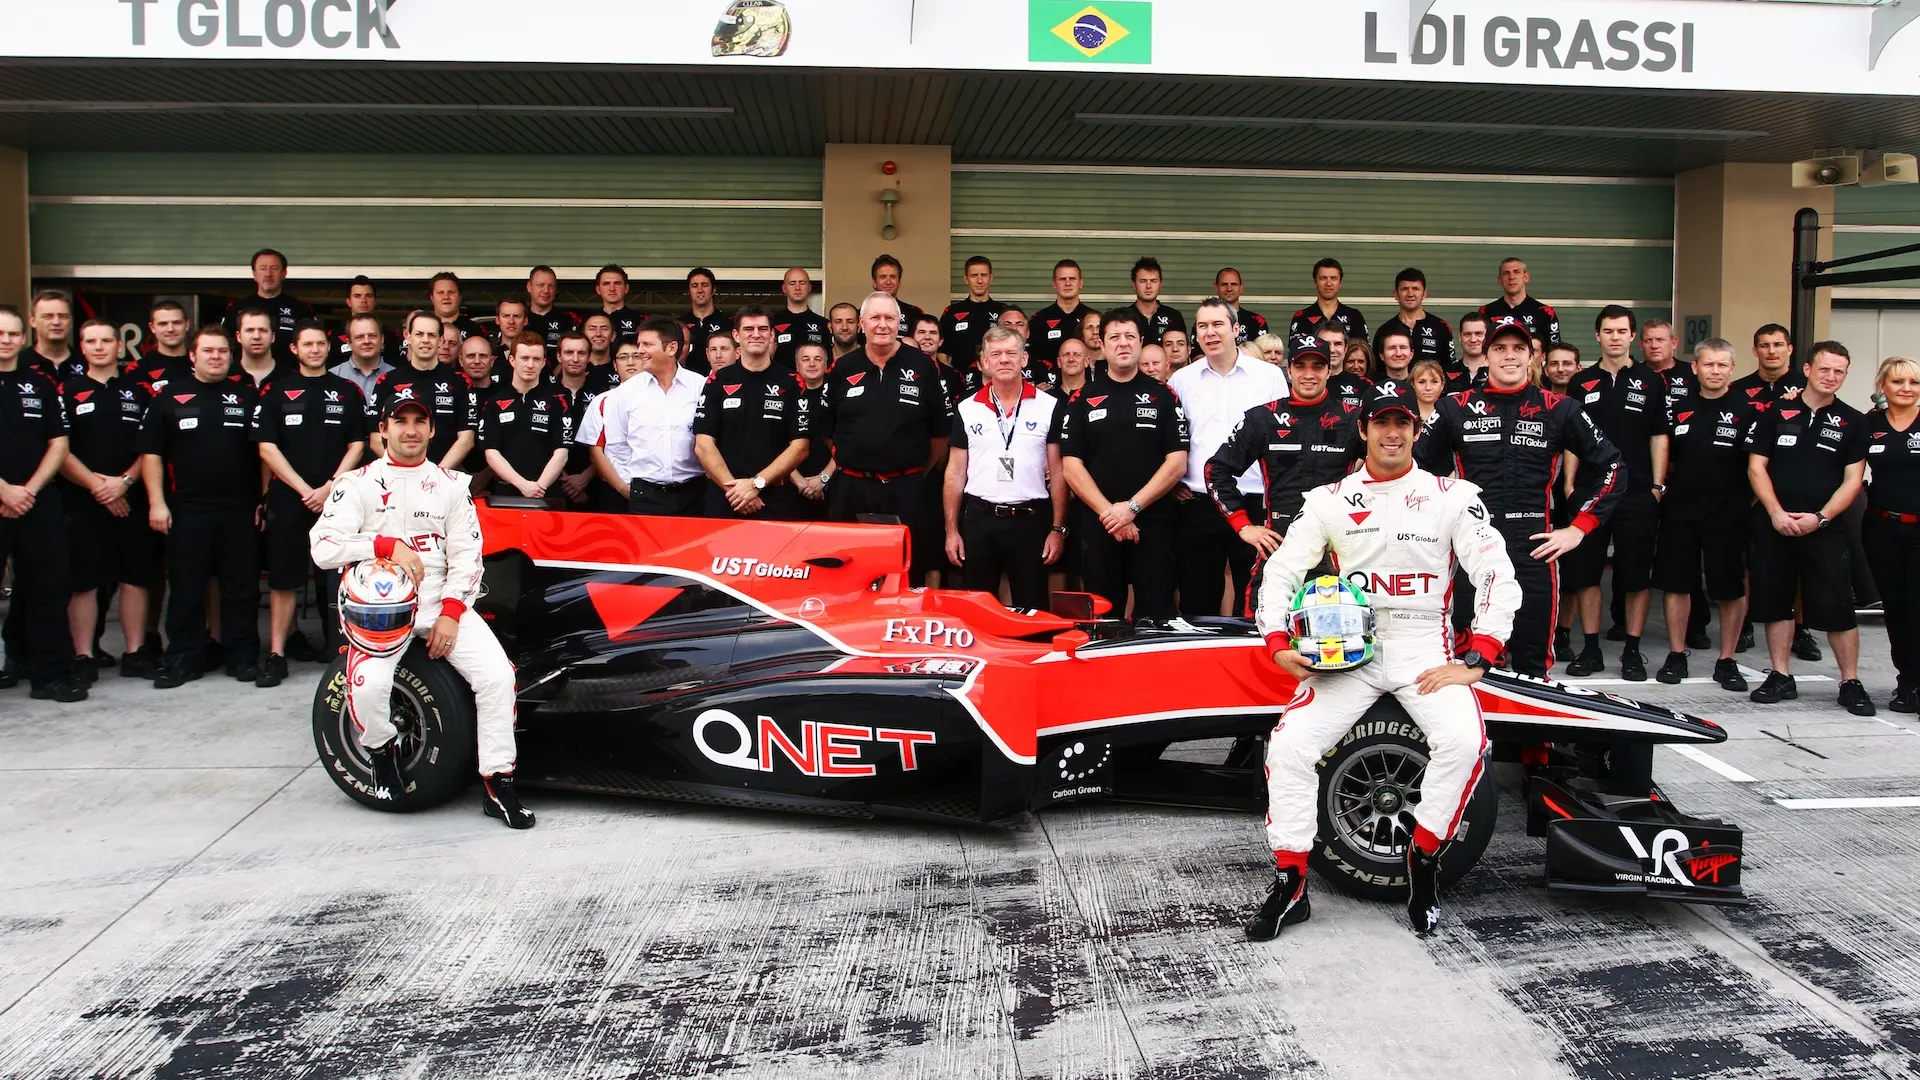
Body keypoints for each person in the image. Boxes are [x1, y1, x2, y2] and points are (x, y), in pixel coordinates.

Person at [1246, 385, 1518, 941]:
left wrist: (1482, 652)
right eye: (1381, 423)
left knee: (1466, 744)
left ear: (1417, 431)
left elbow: (1495, 570)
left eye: (1403, 423)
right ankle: (1292, 882)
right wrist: (1276, 641)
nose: (1392, 433)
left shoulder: (1454, 494)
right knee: (1291, 746)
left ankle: (1423, 861)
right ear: (1364, 431)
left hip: (1426, 650)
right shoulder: (1329, 498)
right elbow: (1281, 572)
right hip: (1349, 652)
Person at [309, 393, 534, 829]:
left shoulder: (452, 484)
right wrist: (383, 544)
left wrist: (451, 612)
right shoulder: (355, 484)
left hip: (439, 600)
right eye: (400, 421)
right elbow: (323, 547)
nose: (410, 429)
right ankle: (381, 751)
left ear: (432, 430)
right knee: (371, 684)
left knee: (497, 677)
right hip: (379, 608)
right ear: (384, 429)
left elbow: (469, 556)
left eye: (419, 422)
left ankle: (497, 780)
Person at [1415, 316, 1622, 678]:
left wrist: (1578, 528)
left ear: (1532, 358)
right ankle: (1478, 735)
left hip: (1534, 548)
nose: (1509, 356)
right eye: (1499, 348)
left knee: (1532, 660)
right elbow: (1413, 469)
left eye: (1518, 349)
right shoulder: (1454, 407)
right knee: (1469, 663)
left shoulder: (1559, 408)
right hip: (1472, 547)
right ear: (1486, 355)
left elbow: (1614, 466)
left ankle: (1532, 737)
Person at [1745, 342, 1873, 714]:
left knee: (1837, 605)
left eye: (1839, 371)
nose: (1831, 377)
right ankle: (1781, 676)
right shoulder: (1775, 412)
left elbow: (1853, 480)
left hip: (1826, 528)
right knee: (1776, 602)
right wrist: (1776, 513)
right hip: (1775, 525)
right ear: (1807, 369)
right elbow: (1756, 467)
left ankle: (1850, 681)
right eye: (1824, 369)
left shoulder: (1853, 421)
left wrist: (1820, 517)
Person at [138, 324, 263, 688]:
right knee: (186, 587)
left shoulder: (246, 397)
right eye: (208, 351)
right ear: (192, 356)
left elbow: (265, 452)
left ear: (231, 355)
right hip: (187, 509)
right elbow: (152, 455)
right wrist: (157, 503)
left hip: (239, 509)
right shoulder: (168, 398)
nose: (216, 357)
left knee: (241, 588)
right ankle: (184, 658)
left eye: (222, 351)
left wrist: (263, 500)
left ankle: (241, 656)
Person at [1204, 333, 1358, 617]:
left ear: (1329, 370)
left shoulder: (1352, 418)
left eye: (1317, 366)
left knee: (1335, 637)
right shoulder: (1263, 418)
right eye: (1301, 366)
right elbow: (1216, 469)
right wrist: (1243, 526)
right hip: (1279, 543)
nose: (1309, 374)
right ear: (1289, 370)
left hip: (1337, 548)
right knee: (1261, 629)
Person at [253, 320, 369, 684]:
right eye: (308, 344)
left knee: (334, 578)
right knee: (283, 579)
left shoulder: (347, 391)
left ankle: (337, 648)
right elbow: (266, 447)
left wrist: (331, 485)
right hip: (290, 498)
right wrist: (305, 489)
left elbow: (358, 443)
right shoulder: (275, 390)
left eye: (321, 344)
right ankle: (276, 653)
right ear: (294, 349)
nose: (315, 350)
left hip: (337, 500)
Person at [1058, 308, 1189, 620]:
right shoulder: (1082, 398)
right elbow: (1071, 466)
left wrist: (1131, 508)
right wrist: (1111, 514)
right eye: (1114, 337)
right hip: (1100, 525)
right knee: (1103, 619)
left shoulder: (1164, 396)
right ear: (1101, 345)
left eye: (1130, 336)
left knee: (1155, 616)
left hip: (1153, 523)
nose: (1123, 343)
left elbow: (1177, 462)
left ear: (1141, 342)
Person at [1562, 306, 1670, 680]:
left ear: (1632, 336)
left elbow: (1659, 434)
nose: (1614, 337)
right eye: (1608, 331)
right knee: (1588, 574)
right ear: (1598, 336)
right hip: (1592, 493)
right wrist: (1569, 484)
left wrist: (1658, 485)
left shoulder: (1651, 380)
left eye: (1621, 331)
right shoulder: (1581, 382)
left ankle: (1633, 652)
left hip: (1638, 492)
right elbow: (1572, 440)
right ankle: (1590, 649)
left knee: (1636, 575)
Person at [818, 294, 953, 580]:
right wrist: (855, 455)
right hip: (852, 489)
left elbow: (940, 433)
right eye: (875, 318)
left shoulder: (923, 367)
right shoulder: (843, 368)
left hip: (907, 489)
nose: (882, 325)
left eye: (889, 318)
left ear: (899, 323)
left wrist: (912, 469)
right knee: (849, 571)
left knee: (906, 572)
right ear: (862, 324)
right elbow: (827, 430)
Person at [1170, 299, 1287, 619]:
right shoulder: (1181, 380)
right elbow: (1172, 440)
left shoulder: (1269, 377)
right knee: (1197, 595)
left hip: (1253, 500)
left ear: (1235, 329)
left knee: (1255, 598)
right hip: (1198, 501)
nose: (1210, 333)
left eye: (1218, 324)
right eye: (1203, 326)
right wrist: (1172, 484)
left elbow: (1281, 436)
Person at [58, 318, 161, 680]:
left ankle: (134, 652)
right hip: (83, 501)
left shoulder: (139, 391)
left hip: (131, 499)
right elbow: (59, 450)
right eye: (91, 341)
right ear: (81, 347)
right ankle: (84, 655)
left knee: (136, 577)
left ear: (121, 347)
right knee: (83, 581)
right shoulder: (66, 392)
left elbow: (150, 447)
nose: (99, 346)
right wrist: (98, 487)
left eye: (106, 340)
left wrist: (125, 482)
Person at [1651, 338, 1755, 690]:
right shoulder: (1677, 407)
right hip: (1680, 511)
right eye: (1708, 364)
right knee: (1677, 585)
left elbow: (1760, 465)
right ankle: (1676, 654)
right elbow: (1662, 450)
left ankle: (1727, 660)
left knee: (1729, 589)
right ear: (1694, 367)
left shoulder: (1748, 409)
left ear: (1731, 369)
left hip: (1728, 514)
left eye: (1722, 365)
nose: (1715, 370)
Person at [944, 326, 1066, 608]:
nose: (1004, 360)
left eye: (1012, 353)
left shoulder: (1050, 406)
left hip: (1031, 520)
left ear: (1024, 359)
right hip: (979, 520)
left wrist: (1057, 529)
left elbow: (1059, 472)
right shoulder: (966, 407)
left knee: (1033, 609)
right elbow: (954, 472)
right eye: (996, 354)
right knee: (978, 609)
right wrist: (952, 530)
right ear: (984, 362)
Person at [0, 304, 86, 702]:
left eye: (12, 334)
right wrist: (4, 490)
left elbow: (58, 444)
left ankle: (49, 674)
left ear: (23, 337)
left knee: (49, 587)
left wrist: (28, 490)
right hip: (4, 497)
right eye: (0, 333)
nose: (6, 340)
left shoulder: (40, 385)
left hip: (37, 501)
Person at [693, 306, 811, 520]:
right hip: (726, 496)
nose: (756, 334)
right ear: (736, 335)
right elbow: (703, 445)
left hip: (776, 499)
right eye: (748, 329)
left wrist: (756, 483)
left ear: (772, 334)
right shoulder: (717, 381)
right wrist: (737, 492)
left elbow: (801, 447)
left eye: (763, 329)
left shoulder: (793, 382)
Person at [582, 318, 707, 516]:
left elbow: (710, 439)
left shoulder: (700, 386)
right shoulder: (626, 392)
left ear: (671, 348)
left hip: (695, 493)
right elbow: (616, 446)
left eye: (647, 344)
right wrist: (630, 487)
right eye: (639, 344)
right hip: (645, 496)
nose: (640, 350)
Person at [1863, 356, 1920, 713]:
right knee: (1897, 610)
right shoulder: (1866, 425)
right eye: (1898, 382)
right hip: (1882, 528)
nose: (1906, 389)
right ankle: (1908, 683)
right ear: (1882, 386)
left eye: (1913, 382)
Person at [372, 312, 477, 470]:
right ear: (407, 336)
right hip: (396, 474)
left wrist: (435, 474)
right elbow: (375, 438)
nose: (425, 340)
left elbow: (466, 439)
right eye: (419, 334)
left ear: (440, 340)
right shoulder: (387, 381)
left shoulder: (460, 382)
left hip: (444, 475)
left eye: (431, 335)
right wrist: (401, 468)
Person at [478, 331, 572, 504]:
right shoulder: (495, 402)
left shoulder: (557, 402)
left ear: (544, 363)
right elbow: (491, 452)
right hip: (505, 491)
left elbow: (562, 453)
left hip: (547, 493)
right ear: (512, 360)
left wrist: (539, 487)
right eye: (524, 358)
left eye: (536, 359)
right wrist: (522, 485)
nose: (530, 365)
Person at [565, 339, 642, 514]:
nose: (630, 362)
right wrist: (621, 487)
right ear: (615, 365)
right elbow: (595, 451)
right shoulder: (602, 401)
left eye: (636, 356)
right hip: (612, 491)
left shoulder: (662, 400)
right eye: (623, 357)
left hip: (655, 490)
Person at [221, 248, 314, 364]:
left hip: (290, 376)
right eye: (263, 268)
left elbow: (313, 344)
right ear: (254, 274)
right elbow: (223, 343)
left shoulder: (301, 309)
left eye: (274, 268)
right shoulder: (237, 308)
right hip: (244, 377)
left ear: (284, 273)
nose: (268, 274)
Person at [786, 342, 834, 517]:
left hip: (832, 484)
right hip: (790, 485)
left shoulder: (838, 395)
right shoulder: (785, 396)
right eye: (806, 359)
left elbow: (848, 442)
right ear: (797, 365)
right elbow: (774, 443)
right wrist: (799, 481)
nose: (812, 363)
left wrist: (823, 478)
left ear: (826, 364)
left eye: (817, 359)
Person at [1375, 269, 1454, 370]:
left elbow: (1449, 367)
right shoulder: (1384, 330)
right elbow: (1377, 370)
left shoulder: (1441, 327)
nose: (1410, 294)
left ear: (1424, 294)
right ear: (1396, 294)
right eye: (1404, 289)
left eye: (1416, 288)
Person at [940, 255, 1005, 375]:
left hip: (998, 381)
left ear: (991, 278)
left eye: (984, 275)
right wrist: (955, 378)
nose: (979, 281)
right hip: (963, 385)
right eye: (974, 275)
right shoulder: (952, 312)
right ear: (966, 279)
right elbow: (942, 354)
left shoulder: (1003, 311)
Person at [1479, 258, 1560, 346]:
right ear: (1499, 280)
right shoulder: (1486, 312)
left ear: (1526, 277)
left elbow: (1554, 350)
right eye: (1506, 273)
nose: (1511, 277)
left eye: (1516, 272)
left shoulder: (1545, 312)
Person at [1032, 260, 1092, 370]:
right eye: (1062, 279)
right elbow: (1032, 358)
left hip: (1088, 384)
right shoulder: (1039, 319)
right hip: (1049, 384)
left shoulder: (1092, 319)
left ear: (1081, 283)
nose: (1068, 283)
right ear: (1054, 284)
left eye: (1072, 279)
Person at [1288, 258, 1367, 342]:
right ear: (1315, 282)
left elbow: (1362, 352)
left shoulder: (1354, 316)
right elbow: (1296, 352)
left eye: (1333, 278)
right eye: (1323, 278)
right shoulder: (1302, 317)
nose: (1328, 283)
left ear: (1340, 283)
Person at [772, 267, 830, 368]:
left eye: (802, 283)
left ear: (809, 288)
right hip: (779, 382)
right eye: (792, 283)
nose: (797, 287)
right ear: (784, 288)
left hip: (813, 382)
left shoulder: (823, 324)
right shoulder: (772, 322)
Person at [331, 313, 394, 401]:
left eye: (372, 336)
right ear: (348, 342)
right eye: (359, 337)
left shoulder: (397, 377)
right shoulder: (333, 376)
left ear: (382, 339)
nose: (366, 341)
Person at [135, 300, 194, 389]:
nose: (170, 329)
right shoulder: (139, 369)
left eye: (176, 323)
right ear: (152, 327)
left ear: (187, 325)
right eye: (163, 324)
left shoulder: (203, 364)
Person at [1313, 324, 1374, 410]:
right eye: (1326, 344)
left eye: (1338, 344)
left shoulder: (1364, 385)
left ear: (1345, 348)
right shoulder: (1305, 382)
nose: (1332, 350)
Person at [525, 266, 581, 358]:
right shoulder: (519, 318)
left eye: (551, 286)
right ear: (529, 287)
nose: (546, 291)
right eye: (540, 285)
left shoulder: (568, 319)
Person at [24, 290, 79, 381]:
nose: (56, 322)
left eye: (63, 316)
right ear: (32, 321)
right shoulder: (19, 363)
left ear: (71, 321)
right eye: (48, 316)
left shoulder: (87, 363)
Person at [1129, 257, 1184, 345]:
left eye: (1153, 281)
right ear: (1134, 285)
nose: (1148, 286)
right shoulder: (1125, 317)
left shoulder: (1174, 316)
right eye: (1143, 281)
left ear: (1160, 284)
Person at [681, 266, 733, 361]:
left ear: (713, 290)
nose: (700, 290)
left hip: (720, 375)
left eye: (704, 285)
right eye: (694, 286)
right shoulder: (679, 325)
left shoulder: (728, 324)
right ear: (689, 291)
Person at [231, 304, 289, 388]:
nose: (256, 336)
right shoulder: (225, 376)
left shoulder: (289, 376)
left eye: (263, 330)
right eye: (249, 330)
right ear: (238, 337)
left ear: (273, 337)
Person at [868, 255, 925, 339]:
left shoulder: (914, 313)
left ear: (899, 282)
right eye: (883, 277)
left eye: (893, 277)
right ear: (874, 282)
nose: (888, 282)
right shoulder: (862, 314)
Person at [1213, 268, 1268, 344]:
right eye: (1224, 284)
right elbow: (1198, 354)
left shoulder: (1257, 321)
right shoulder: (1205, 321)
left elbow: (1262, 353)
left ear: (1241, 288)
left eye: (1234, 284)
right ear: (1216, 287)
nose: (1229, 289)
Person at [591, 265, 642, 345]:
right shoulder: (588, 319)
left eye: (617, 283)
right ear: (598, 289)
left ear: (626, 288)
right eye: (606, 283)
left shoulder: (639, 320)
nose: (612, 289)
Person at [428, 272, 486, 342]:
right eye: (440, 292)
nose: (446, 297)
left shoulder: (474, 329)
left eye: (451, 292)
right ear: (432, 297)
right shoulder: (422, 327)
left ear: (459, 296)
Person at [1451, 311, 1490, 391]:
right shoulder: (1443, 374)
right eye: (1467, 334)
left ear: (1488, 336)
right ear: (1460, 337)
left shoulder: (1498, 373)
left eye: (1479, 334)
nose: (1473, 340)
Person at [491, 297, 531, 367]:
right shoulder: (488, 352)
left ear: (525, 320)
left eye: (517, 316)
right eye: (506, 316)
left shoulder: (535, 353)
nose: (511, 321)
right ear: (497, 320)